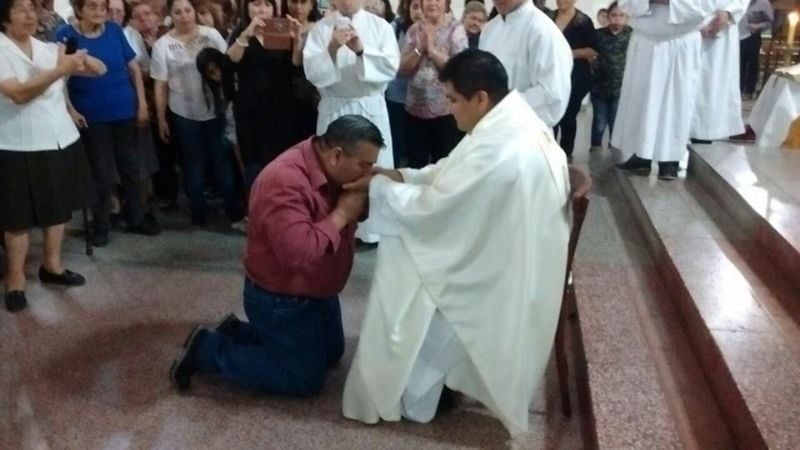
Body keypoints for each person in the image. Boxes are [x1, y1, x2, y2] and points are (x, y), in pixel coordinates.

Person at [341, 49, 570, 437]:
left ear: (480, 98)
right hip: (516, 246)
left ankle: (413, 389)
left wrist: (379, 191)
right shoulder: (508, 120)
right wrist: (399, 176)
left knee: (409, 269)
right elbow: (453, 174)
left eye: (452, 100)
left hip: (503, 268)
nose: (449, 110)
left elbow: (437, 209)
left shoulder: (503, 146)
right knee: (415, 251)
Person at [169, 115, 382, 395]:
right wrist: (342, 214)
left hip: (317, 292)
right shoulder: (284, 182)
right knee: (305, 379)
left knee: (331, 354)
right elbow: (297, 253)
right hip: (282, 297)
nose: (367, 174)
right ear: (336, 155)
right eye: (364, 166)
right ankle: (208, 350)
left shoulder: (332, 165)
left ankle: (239, 332)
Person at [0, 0, 106, 312]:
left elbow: (99, 70)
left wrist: (82, 60)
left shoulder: (47, 48)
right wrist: (61, 69)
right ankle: (15, 278)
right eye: (20, 9)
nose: (29, 14)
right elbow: (18, 93)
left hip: (59, 139)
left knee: (57, 210)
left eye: (32, 9)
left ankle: (52, 266)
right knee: (16, 217)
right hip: (17, 144)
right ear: (4, 18)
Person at [57, 0, 159, 246]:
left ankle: (135, 217)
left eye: (102, 7)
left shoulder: (114, 31)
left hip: (123, 108)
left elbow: (133, 67)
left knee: (130, 166)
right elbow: (61, 77)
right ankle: (101, 223)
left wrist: (142, 103)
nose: (99, 12)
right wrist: (70, 109)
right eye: (92, 7)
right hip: (91, 114)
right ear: (79, 10)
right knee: (101, 172)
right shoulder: (65, 35)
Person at [303, 0, 400, 243]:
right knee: (333, 169)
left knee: (369, 169)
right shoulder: (320, 30)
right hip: (336, 106)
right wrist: (332, 48)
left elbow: (390, 67)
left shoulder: (380, 27)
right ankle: (334, 224)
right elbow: (313, 72)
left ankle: (372, 230)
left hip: (368, 105)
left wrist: (360, 50)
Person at [151, 0, 242, 226]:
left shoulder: (211, 35)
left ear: (194, 11)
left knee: (222, 162)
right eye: (178, 12)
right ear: (170, 15)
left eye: (188, 10)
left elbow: (228, 65)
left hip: (216, 109)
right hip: (184, 113)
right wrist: (162, 117)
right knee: (194, 163)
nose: (184, 16)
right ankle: (198, 211)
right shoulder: (163, 45)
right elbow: (160, 84)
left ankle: (232, 208)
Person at [614, 0, 715, 181]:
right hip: (645, 40)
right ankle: (641, 153)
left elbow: (708, 4)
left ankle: (669, 160)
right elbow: (624, 3)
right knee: (641, 100)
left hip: (680, 42)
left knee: (675, 104)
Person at [227, 0, 300, 197]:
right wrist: (247, 33)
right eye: (256, 4)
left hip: (280, 105)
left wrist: (297, 38)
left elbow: (294, 65)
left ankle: (279, 206)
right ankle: (255, 208)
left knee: (280, 157)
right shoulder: (241, 31)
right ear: (247, 8)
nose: (262, 9)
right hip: (249, 107)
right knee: (253, 160)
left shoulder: (280, 29)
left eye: (267, 5)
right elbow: (231, 59)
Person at [479, 0, 572, 127]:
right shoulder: (489, 30)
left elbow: (552, 99)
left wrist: (498, 106)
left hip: (525, 135)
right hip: (488, 129)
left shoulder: (543, 31)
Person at [399, 0, 467, 168]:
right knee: (415, 162)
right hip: (415, 109)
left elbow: (460, 70)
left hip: (446, 111)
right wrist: (419, 48)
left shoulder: (456, 29)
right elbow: (402, 70)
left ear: (446, 3)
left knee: (443, 164)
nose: (432, 3)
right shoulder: (414, 30)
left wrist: (432, 51)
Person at [691, 1, 746, 143]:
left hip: (719, 25)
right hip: (682, 20)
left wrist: (728, 12)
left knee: (709, 84)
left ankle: (702, 135)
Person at [550, 0, 596, 159]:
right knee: (551, 115)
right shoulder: (548, 17)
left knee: (568, 115)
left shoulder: (583, 22)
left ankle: (565, 155)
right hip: (552, 75)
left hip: (576, 76)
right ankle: (550, 153)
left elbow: (592, 50)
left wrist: (566, 53)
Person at [589, 1, 630, 151]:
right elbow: (590, 54)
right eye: (613, 15)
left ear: (626, 18)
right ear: (608, 17)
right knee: (599, 120)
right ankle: (596, 147)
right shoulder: (598, 35)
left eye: (621, 15)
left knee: (615, 121)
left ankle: (615, 149)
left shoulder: (632, 36)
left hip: (620, 88)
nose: (617, 19)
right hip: (599, 86)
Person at [385, 0, 422, 168]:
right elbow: (392, 64)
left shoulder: (435, 29)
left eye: (423, 7)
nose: (419, 12)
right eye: (415, 6)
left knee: (416, 145)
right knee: (396, 142)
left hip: (421, 101)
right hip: (397, 96)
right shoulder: (395, 27)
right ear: (407, 7)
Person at [739, 0, 773, 100]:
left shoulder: (764, 3)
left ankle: (748, 91)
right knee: (738, 63)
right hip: (738, 34)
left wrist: (757, 26)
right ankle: (737, 89)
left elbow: (769, 21)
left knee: (751, 63)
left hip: (753, 35)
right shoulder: (740, 1)